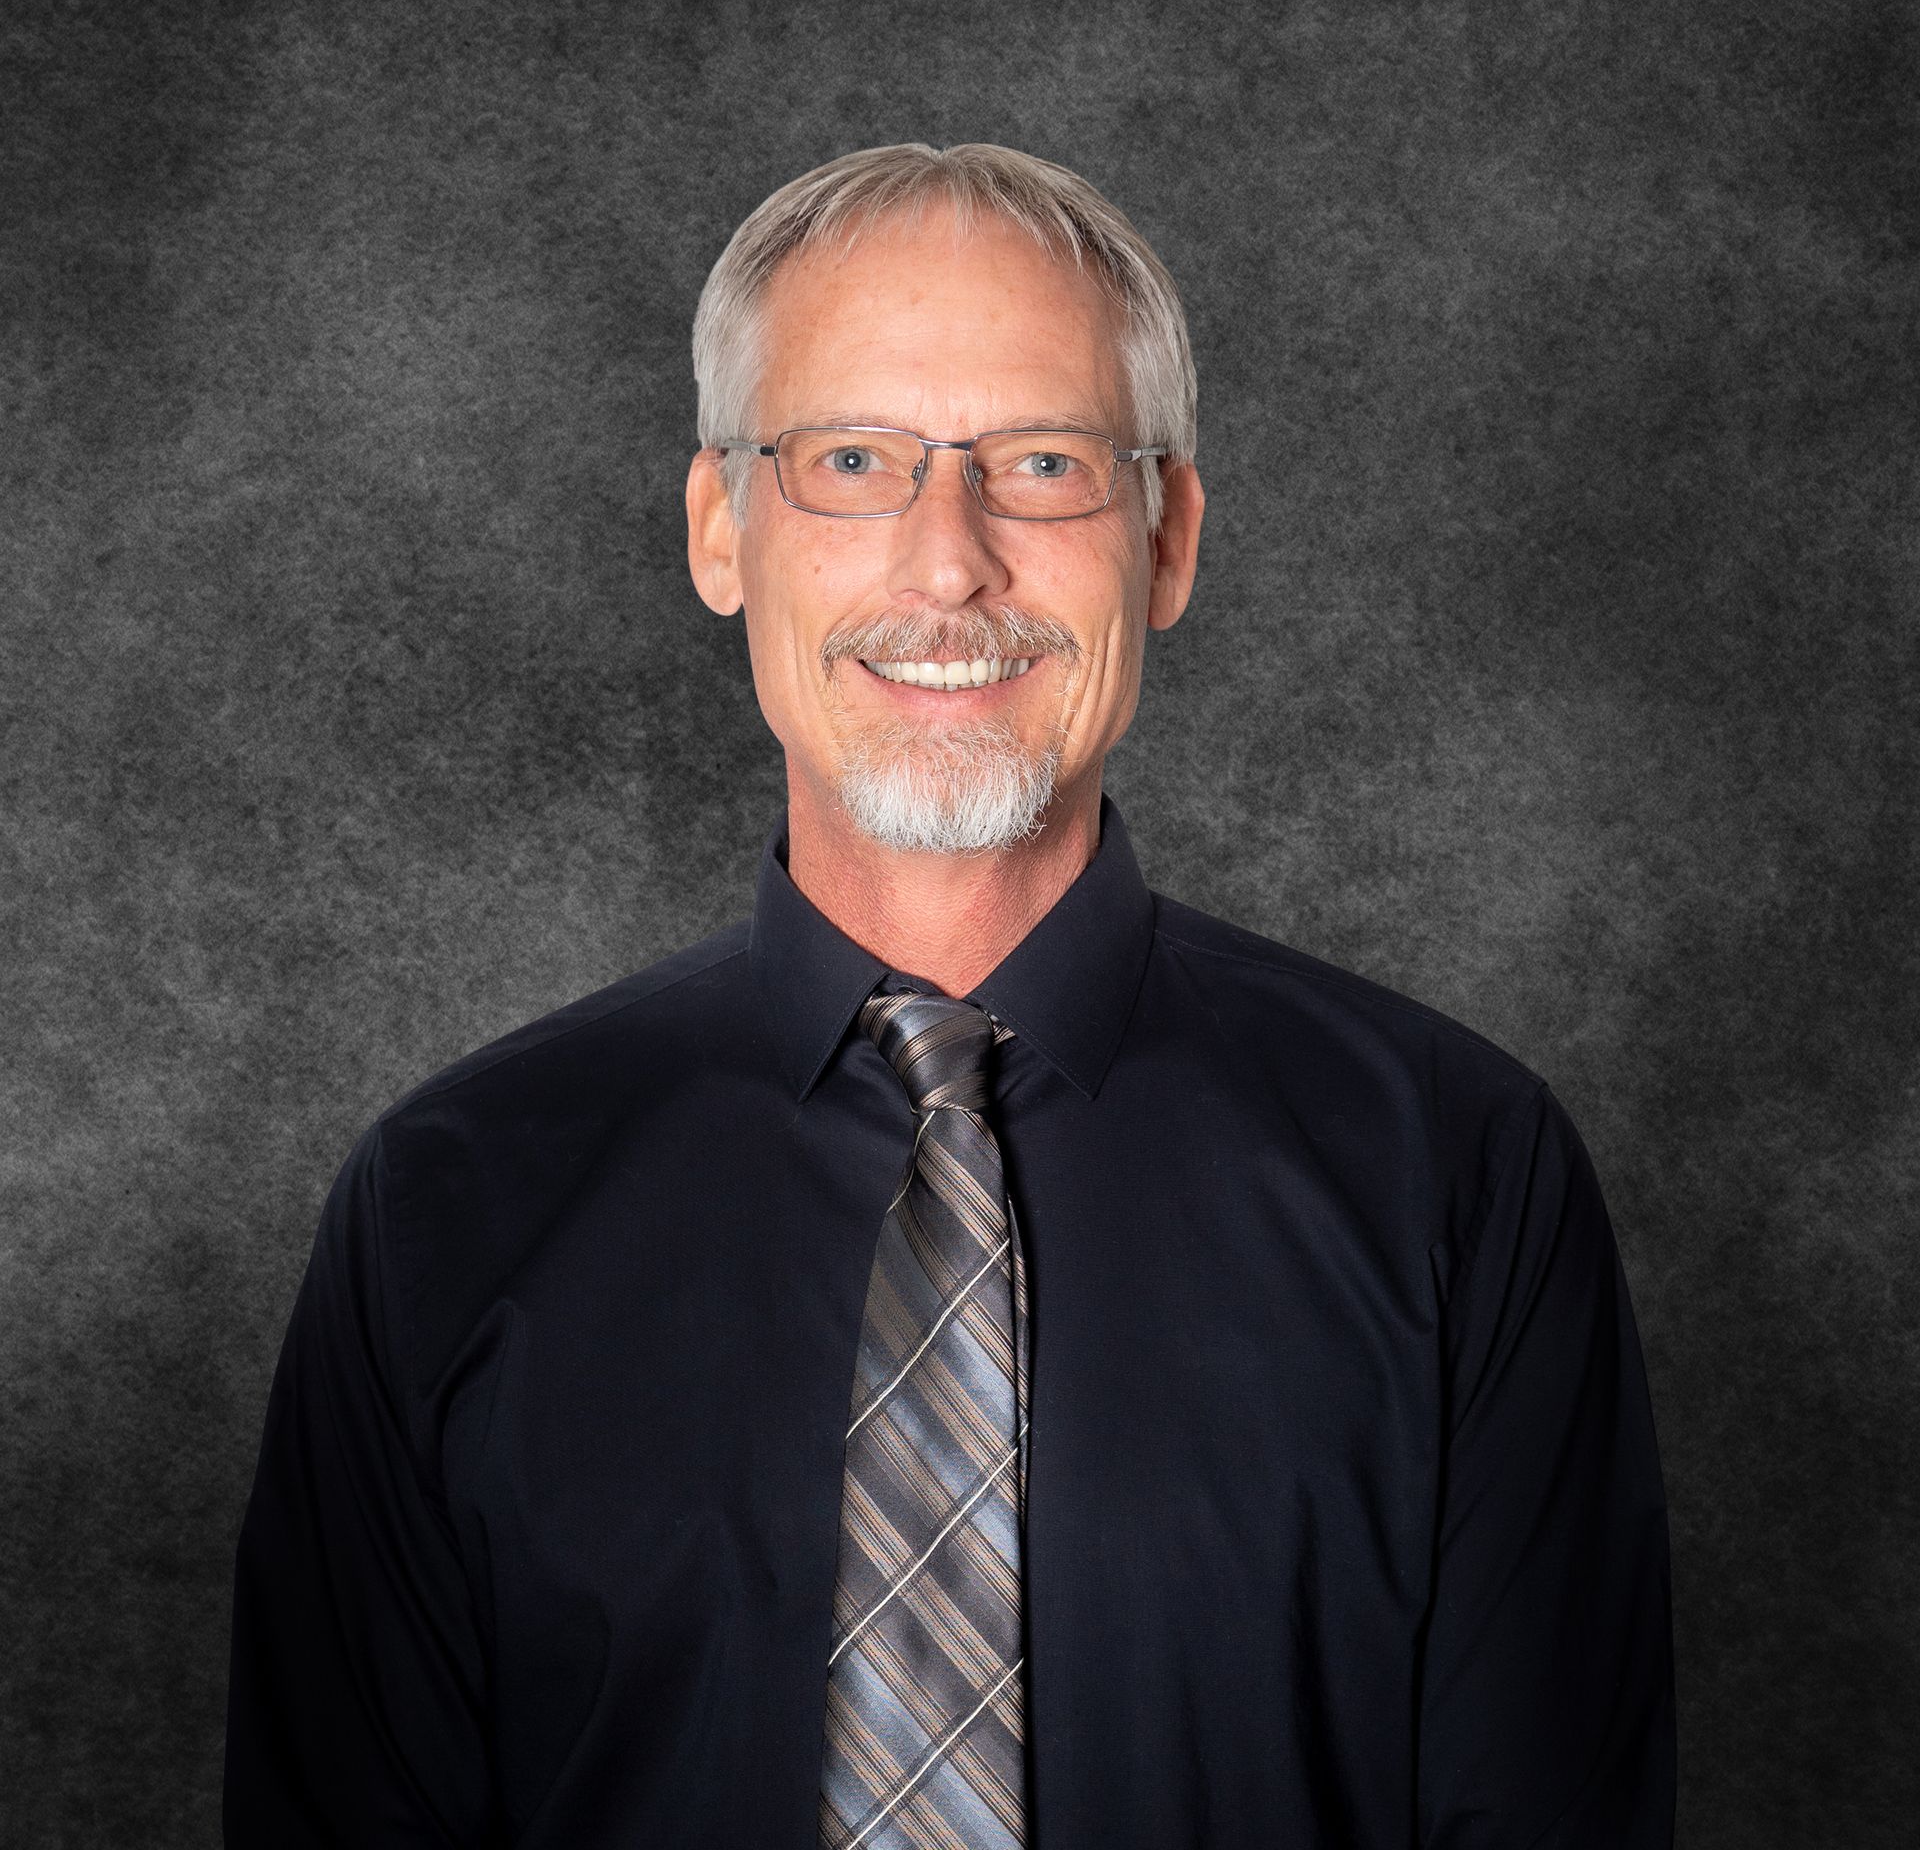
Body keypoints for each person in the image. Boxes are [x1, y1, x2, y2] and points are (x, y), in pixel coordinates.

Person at [225, 143, 1675, 1848]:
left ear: (1167, 543)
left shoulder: (1459, 1172)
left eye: (1042, 464)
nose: (947, 564)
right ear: (720, 532)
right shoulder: (446, 1207)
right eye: (852, 460)